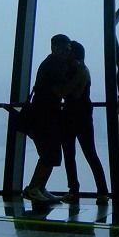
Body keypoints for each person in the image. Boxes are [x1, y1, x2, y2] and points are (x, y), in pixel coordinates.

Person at [23, 34, 76, 204]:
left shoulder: (50, 64)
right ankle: (34, 188)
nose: (67, 53)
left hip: (43, 114)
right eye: (65, 50)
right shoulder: (53, 66)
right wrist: (77, 80)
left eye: (68, 50)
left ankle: (39, 187)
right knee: (49, 153)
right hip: (45, 116)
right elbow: (61, 91)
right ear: (55, 48)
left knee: (49, 153)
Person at [60, 41, 111, 202]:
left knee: (71, 154)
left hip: (71, 113)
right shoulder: (82, 70)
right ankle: (102, 191)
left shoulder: (79, 71)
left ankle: (74, 190)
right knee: (89, 153)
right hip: (82, 114)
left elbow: (71, 93)